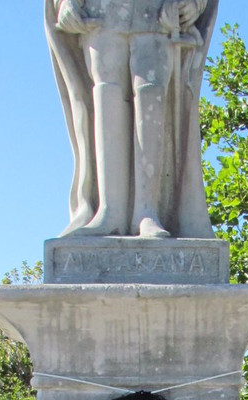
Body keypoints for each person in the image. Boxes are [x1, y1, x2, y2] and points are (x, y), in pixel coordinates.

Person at [45, 0, 218, 238]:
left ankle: (147, 213)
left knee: (151, 92)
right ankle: (109, 211)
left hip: (157, 14)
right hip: (102, 13)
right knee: (107, 92)